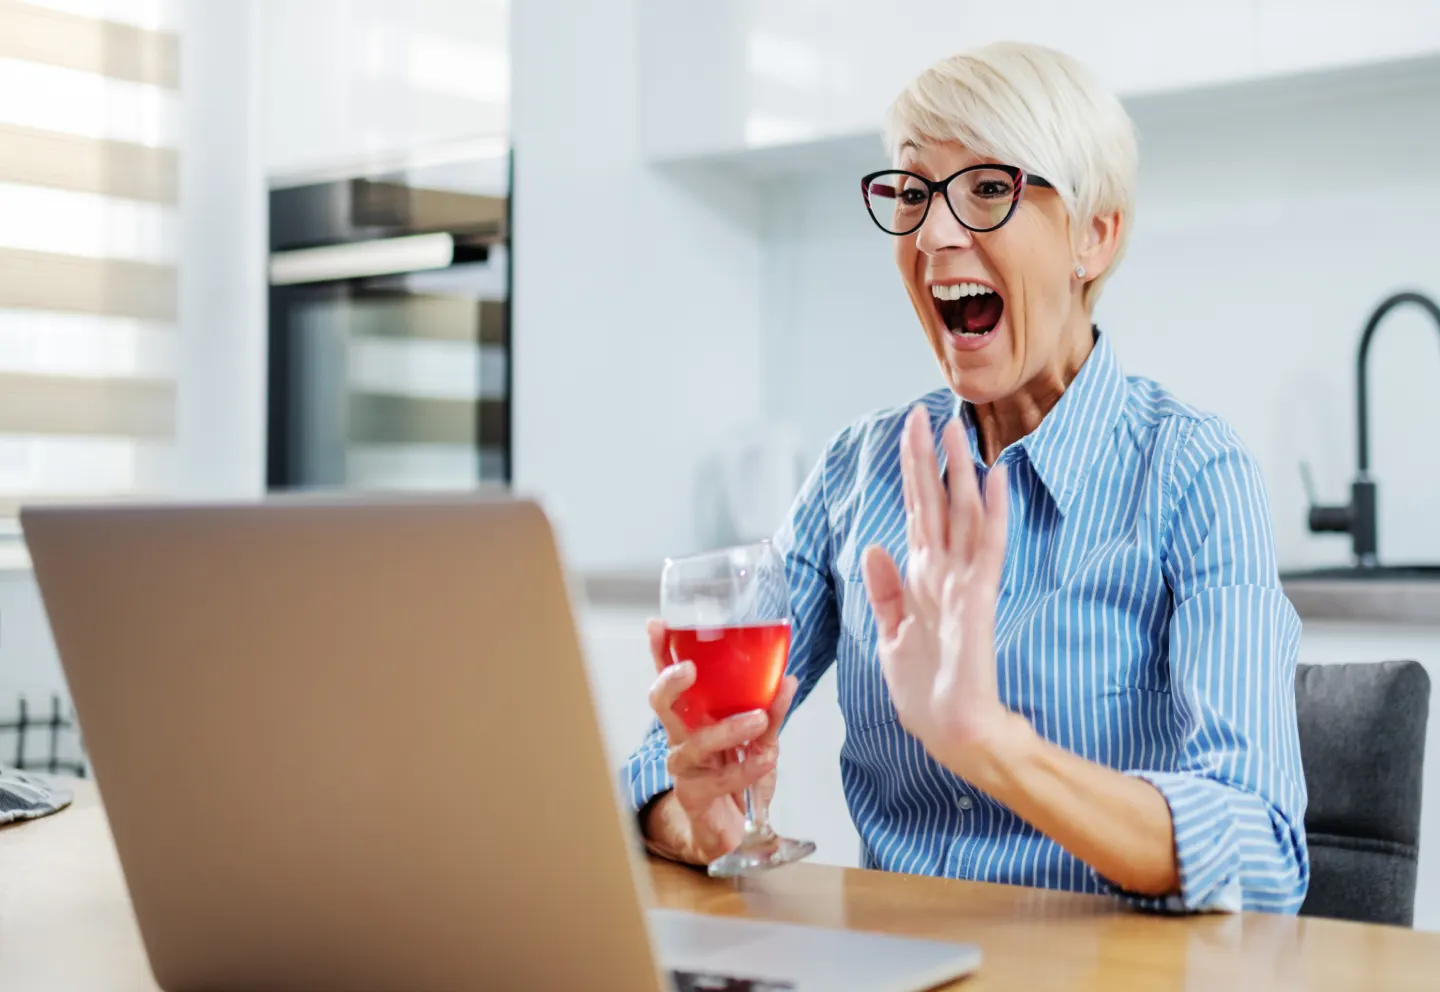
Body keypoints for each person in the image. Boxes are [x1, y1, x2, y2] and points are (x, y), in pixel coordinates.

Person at [623, 41, 1307, 913]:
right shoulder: (856, 473)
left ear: (1093, 236)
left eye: (989, 188)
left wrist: (992, 743)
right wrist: (696, 821)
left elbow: (1263, 850)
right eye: (914, 195)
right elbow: (656, 768)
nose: (935, 234)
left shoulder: (1193, 475)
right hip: (890, 964)